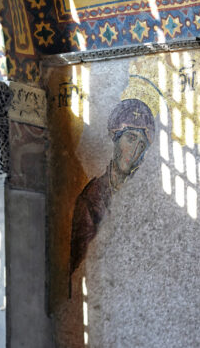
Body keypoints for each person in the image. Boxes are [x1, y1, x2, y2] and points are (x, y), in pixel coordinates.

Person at [69, 98, 155, 277]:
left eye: (142, 145)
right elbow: (80, 267)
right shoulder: (91, 198)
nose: (134, 151)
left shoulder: (146, 198)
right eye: (130, 139)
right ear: (115, 139)